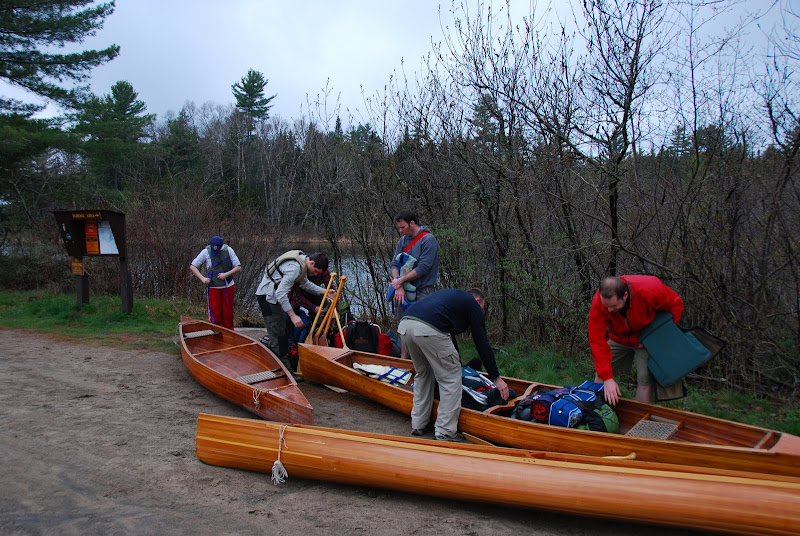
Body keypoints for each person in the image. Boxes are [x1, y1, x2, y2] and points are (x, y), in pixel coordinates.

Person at [398, 288, 509, 442]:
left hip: (405, 325)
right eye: (482, 308)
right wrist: (496, 378)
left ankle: (418, 424)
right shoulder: (472, 304)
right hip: (428, 329)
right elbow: (482, 342)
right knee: (450, 378)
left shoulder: (451, 300)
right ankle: (445, 431)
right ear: (478, 301)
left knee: (424, 374)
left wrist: (457, 363)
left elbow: (448, 338)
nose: (481, 312)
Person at [588, 275, 684, 406]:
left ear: (625, 295)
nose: (609, 310)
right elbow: (597, 340)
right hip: (618, 337)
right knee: (602, 374)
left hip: (644, 338)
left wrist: (654, 336)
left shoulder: (650, 289)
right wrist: (607, 378)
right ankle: (596, 410)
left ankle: (641, 416)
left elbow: (676, 307)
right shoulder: (598, 302)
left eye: (614, 306)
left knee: (645, 379)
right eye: (606, 306)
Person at [255, 250, 333, 373]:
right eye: (316, 271)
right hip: (267, 297)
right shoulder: (295, 269)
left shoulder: (302, 263)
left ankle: (277, 363)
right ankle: (284, 372)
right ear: (312, 263)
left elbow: (305, 284)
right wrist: (293, 315)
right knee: (278, 335)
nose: (315, 274)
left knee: (281, 332)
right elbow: (281, 294)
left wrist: (325, 292)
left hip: (272, 297)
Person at [389, 210, 439, 358]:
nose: (400, 231)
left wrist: (400, 281)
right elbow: (394, 264)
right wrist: (398, 285)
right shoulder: (402, 241)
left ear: (412, 223)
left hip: (423, 290)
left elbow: (423, 267)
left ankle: (424, 361)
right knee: (403, 326)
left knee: (421, 327)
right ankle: (404, 360)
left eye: (403, 227)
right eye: (399, 228)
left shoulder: (428, 240)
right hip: (403, 290)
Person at [190, 235, 241, 330]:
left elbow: (238, 267)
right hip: (213, 287)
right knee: (215, 312)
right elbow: (193, 266)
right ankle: (216, 331)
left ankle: (229, 331)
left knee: (228, 313)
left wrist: (226, 275)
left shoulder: (228, 250)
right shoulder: (206, 252)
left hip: (228, 286)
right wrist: (202, 278)